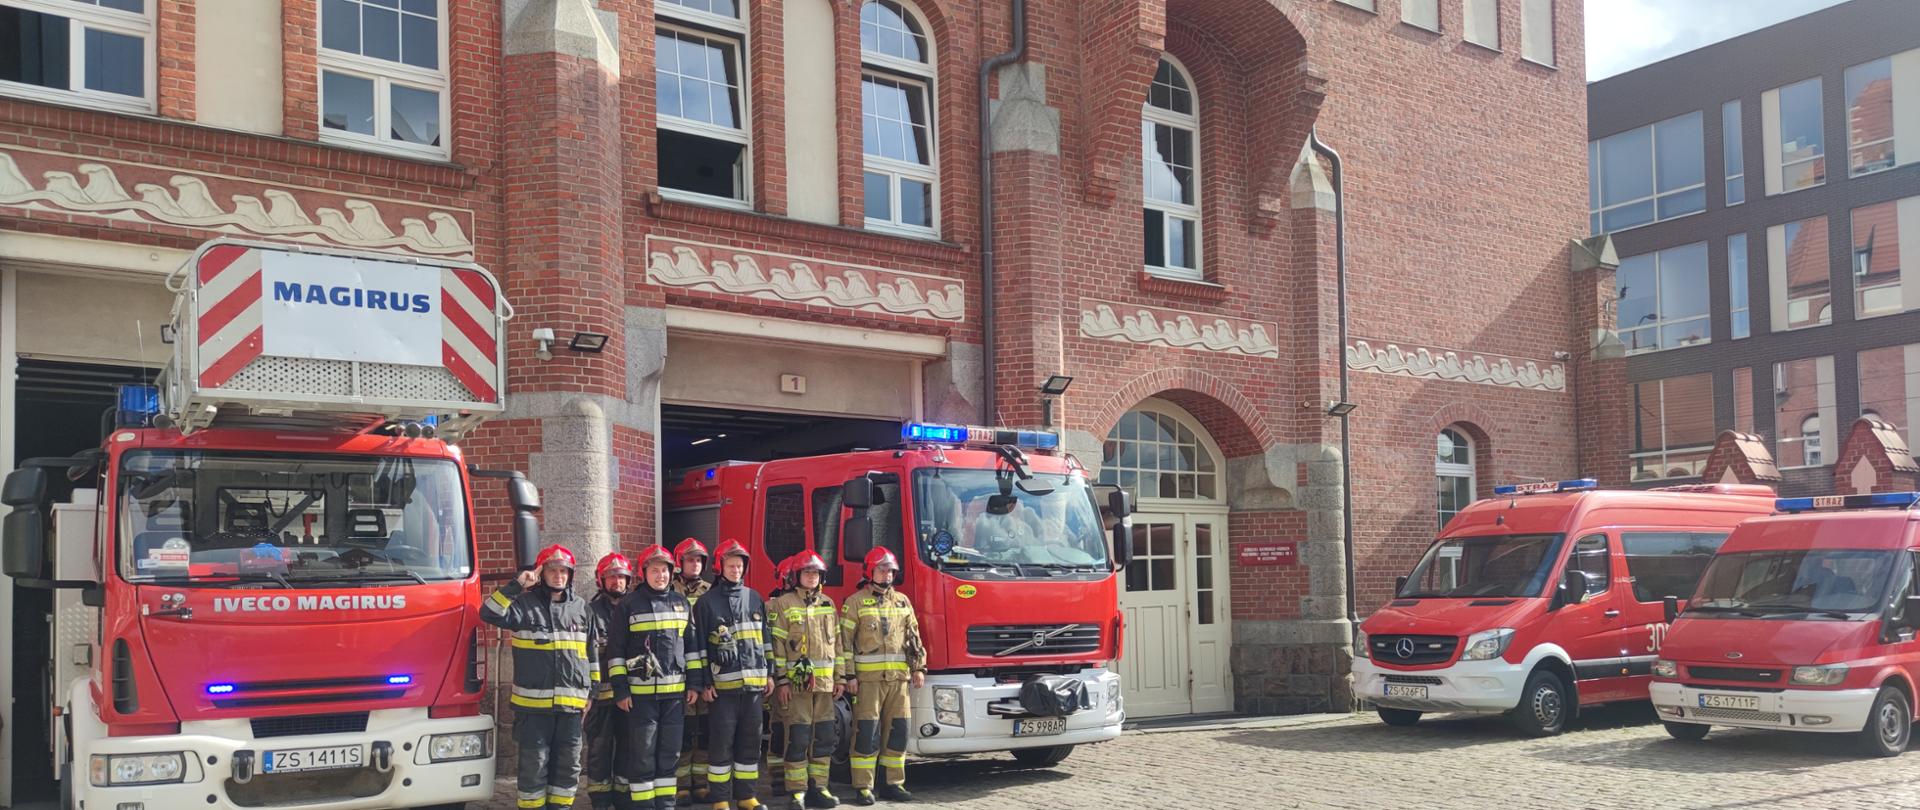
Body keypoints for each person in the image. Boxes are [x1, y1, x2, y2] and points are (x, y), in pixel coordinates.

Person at [482, 544, 597, 810]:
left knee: (568, 768)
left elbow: (591, 656)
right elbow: (488, 612)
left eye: (564, 571)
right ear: (541, 573)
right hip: (534, 711)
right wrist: (516, 585)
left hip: (571, 709)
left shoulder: (581, 608)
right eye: (552, 570)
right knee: (534, 768)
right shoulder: (523, 605)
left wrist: (592, 693)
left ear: (571, 574)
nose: (559, 576)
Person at [688, 539, 774, 810]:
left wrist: (770, 674)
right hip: (722, 691)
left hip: (753, 689)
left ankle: (746, 796)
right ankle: (721, 798)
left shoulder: (754, 597)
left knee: (750, 743)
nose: (736, 570)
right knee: (721, 745)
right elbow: (699, 646)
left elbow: (766, 641)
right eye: (731, 565)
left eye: (740, 565)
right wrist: (703, 682)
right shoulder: (706, 603)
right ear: (719, 567)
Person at [609, 544, 695, 810]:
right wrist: (621, 691)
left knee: (670, 754)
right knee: (643, 755)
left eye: (665, 570)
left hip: (674, 697)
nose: (661, 576)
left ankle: (666, 805)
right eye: (655, 570)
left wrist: (694, 684)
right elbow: (615, 652)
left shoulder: (681, 603)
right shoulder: (628, 604)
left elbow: (691, 648)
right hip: (640, 698)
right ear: (643, 573)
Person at [839, 548, 926, 805]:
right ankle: (864, 786)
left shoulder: (902, 601)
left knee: (899, 732)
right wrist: (848, 676)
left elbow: (913, 637)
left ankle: (893, 784)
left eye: (890, 570)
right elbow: (844, 644)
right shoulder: (854, 602)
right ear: (869, 571)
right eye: (881, 569)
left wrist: (919, 667)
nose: (886, 574)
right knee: (867, 732)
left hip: (898, 681)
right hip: (868, 682)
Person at [769, 552, 842, 810]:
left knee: (823, 737)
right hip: (796, 687)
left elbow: (839, 645)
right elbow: (777, 646)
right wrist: (782, 682)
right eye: (807, 573)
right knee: (797, 737)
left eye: (815, 573)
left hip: (825, 686)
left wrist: (840, 679)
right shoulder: (784, 604)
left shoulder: (828, 604)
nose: (811, 577)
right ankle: (797, 791)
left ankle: (819, 787)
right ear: (796, 576)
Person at [585, 553, 635, 808]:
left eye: (621, 577)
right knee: (599, 751)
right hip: (601, 699)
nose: (617, 581)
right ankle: (601, 800)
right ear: (601, 580)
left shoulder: (636, 608)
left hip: (629, 698)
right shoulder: (590, 612)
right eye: (612, 576)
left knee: (628, 748)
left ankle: (624, 797)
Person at [671, 538, 715, 805]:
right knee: (684, 733)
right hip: (679, 671)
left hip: (706, 669)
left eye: (699, 560)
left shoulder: (711, 592)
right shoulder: (668, 590)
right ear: (679, 563)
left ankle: (701, 783)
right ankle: (682, 784)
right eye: (690, 559)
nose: (695, 564)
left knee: (705, 730)